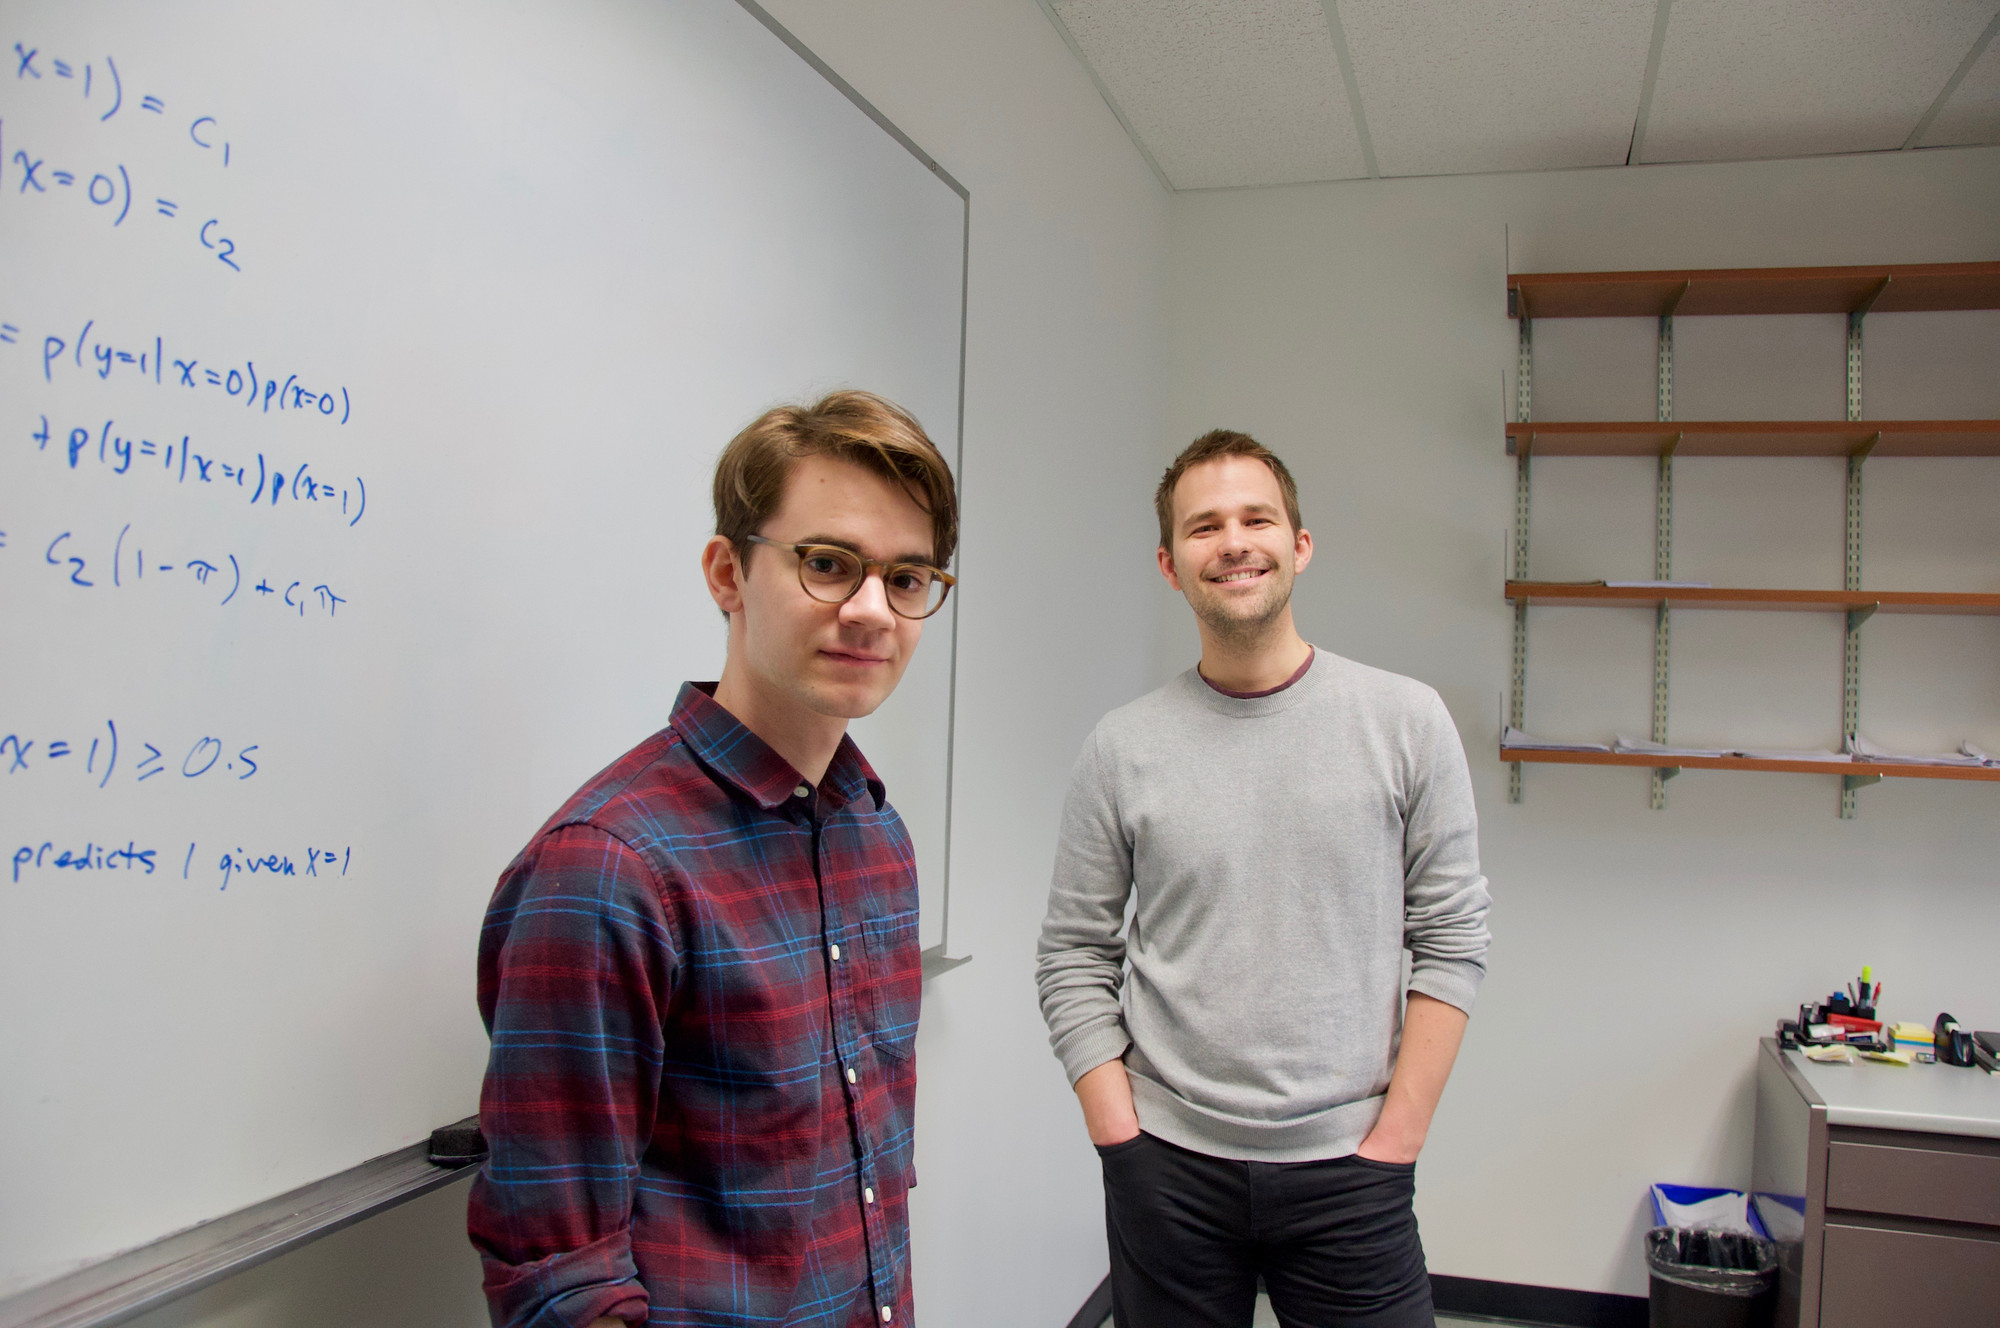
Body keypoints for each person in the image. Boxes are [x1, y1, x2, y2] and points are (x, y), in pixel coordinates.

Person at [470, 390, 958, 1328]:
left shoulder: (874, 836)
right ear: (727, 574)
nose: (871, 610)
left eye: (907, 578)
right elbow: (559, 1279)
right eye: (827, 564)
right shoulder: (608, 872)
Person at [1036, 430, 1491, 1327]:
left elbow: (1453, 939)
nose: (1234, 541)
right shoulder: (1122, 747)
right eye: (1205, 527)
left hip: (1352, 1168)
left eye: (1257, 518)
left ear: (1300, 545)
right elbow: (1072, 956)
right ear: (1170, 565)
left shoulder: (1406, 721)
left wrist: (1396, 1141)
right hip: (1167, 1168)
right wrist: (1119, 1139)